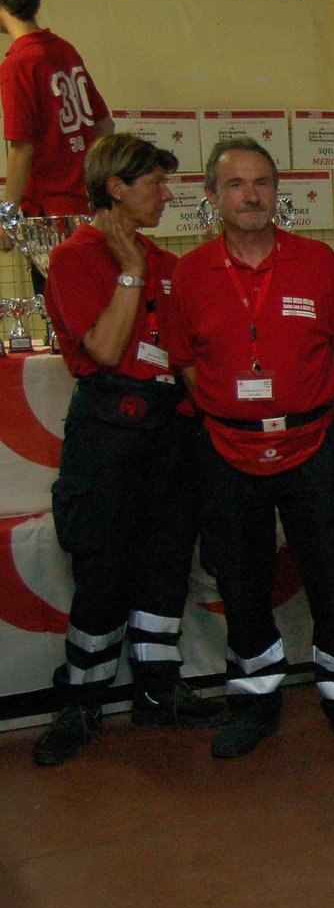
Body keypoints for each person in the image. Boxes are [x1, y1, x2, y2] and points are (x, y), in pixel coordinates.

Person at [169, 137, 334, 759]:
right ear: (212, 196)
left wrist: (322, 422)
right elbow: (185, 361)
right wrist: (234, 415)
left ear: (275, 190)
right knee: (240, 578)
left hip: (312, 444)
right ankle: (254, 700)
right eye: (235, 184)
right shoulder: (190, 273)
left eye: (262, 182)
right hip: (227, 451)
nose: (251, 195)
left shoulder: (317, 261)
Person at [30, 134, 224, 764]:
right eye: (155, 183)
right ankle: (81, 700)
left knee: (166, 565)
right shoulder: (73, 258)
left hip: (170, 431)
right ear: (116, 186)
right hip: (109, 433)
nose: (166, 194)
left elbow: (183, 355)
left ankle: (158, 692)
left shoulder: (168, 264)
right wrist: (131, 274)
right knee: (104, 569)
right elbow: (107, 350)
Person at [0, 0, 112, 264]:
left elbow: (21, 148)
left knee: (56, 305)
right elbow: (104, 125)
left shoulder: (17, 64)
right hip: (87, 208)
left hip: (49, 216)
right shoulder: (64, 49)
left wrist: (7, 216)